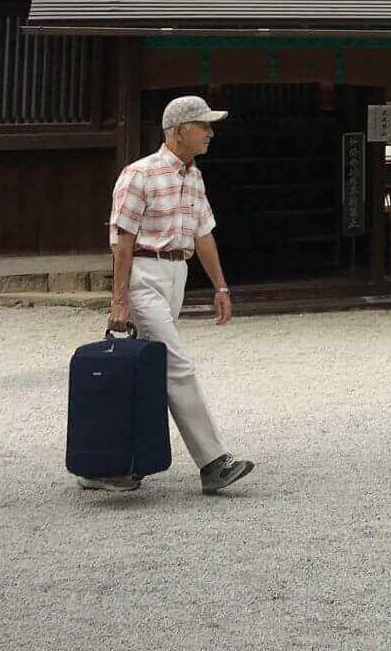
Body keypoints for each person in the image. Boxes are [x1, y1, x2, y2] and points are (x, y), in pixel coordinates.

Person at [93, 95, 254, 495]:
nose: (210, 133)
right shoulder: (139, 174)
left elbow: (203, 235)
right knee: (175, 364)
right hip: (144, 274)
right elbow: (123, 243)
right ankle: (213, 461)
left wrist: (221, 286)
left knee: (149, 375)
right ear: (180, 130)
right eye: (204, 126)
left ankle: (105, 462)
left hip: (175, 275)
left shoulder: (194, 177)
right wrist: (119, 300)